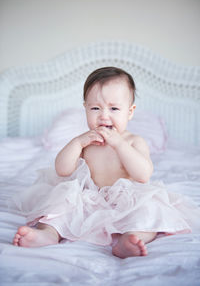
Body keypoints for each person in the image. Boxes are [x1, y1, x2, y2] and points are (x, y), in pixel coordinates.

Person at [12, 67, 200, 258]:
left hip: (126, 199)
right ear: (85, 108)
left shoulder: (134, 141)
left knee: (150, 210)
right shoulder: (84, 141)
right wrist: (77, 143)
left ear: (130, 112)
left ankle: (132, 238)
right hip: (88, 198)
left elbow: (143, 175)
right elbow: (62, 170)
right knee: (60, 203)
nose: (103, 115)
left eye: (114, 108)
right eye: (95, 108)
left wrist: (119, 144)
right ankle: (48, 234)